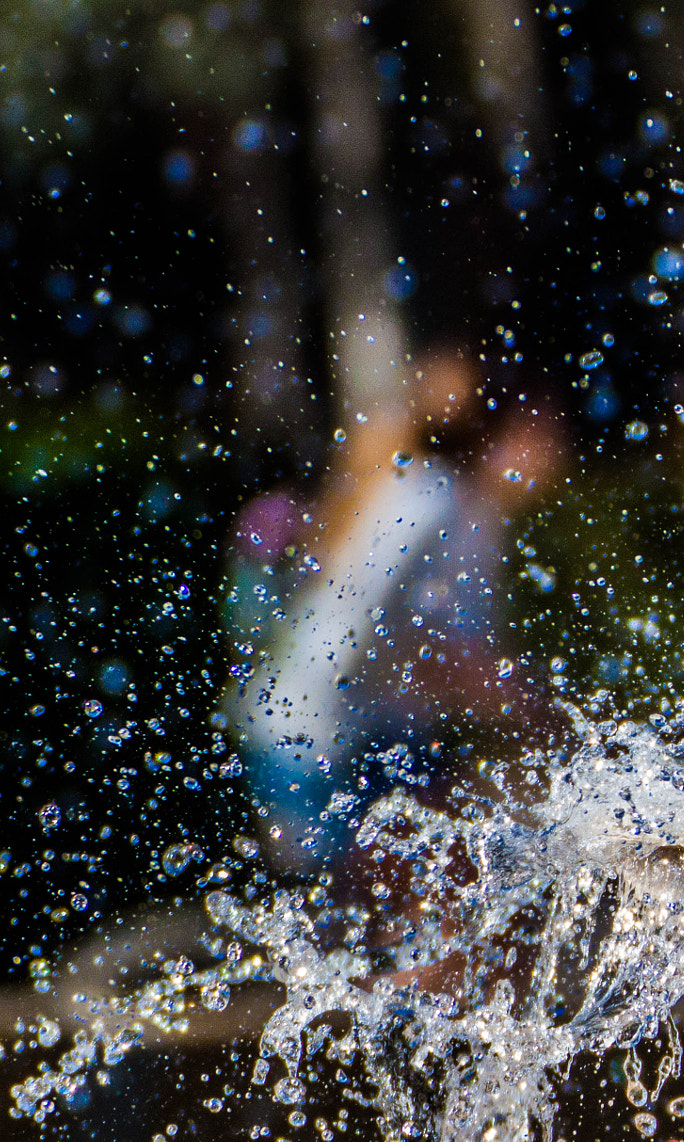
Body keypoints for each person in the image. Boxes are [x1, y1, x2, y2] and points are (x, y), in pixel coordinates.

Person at [224, 349, 568, 925]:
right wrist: (516, 698)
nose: (561, 450)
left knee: (448, 889)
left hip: (367, 738)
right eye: (547, 428)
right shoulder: (427, 497)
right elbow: (361, 627)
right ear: (504, 433)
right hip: (316, 741)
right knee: (417, 903)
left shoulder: (471, 514)